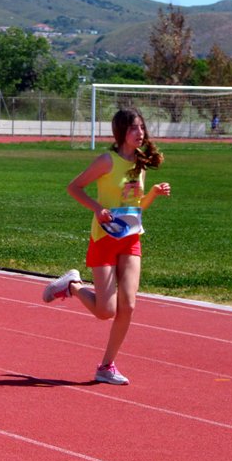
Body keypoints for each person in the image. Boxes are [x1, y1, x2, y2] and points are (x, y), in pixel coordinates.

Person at [42, 108, 170, 385]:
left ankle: (106, 366)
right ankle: (72, 286)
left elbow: (137, 206)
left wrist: (153, 194)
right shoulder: (106, 161)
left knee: (129, 305)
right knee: (106, 311)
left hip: (131, 239)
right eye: (134, 128)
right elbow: (74, 188)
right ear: (121, 132)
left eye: (142, 127)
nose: (140, 133)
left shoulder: (140, 162)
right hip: (104, 238)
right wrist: (97, 208)